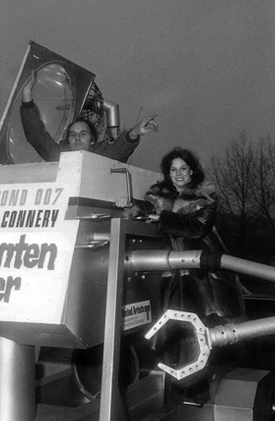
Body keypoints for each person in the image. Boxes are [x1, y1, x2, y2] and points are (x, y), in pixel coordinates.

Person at [118, 147, 247, 368]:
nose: (178, 174)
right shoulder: (160, 198)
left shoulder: (205, 198)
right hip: (171, 274)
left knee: (206, 332)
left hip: (202, 275)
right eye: (173, 169)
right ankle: (178, 386)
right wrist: (133, 207)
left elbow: (197, 228)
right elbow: (146, 208)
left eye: (183, 169)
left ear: (192, 172)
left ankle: (204, 385)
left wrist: (162, 217)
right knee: (172, 333)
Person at [20, 71, 158, 162]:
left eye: (83, 134)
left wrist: (135, 132)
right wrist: (26, 93)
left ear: (92, 140)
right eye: (73, 134)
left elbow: (120, 149)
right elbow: (36, 135)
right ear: (68, 140)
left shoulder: (102, 157)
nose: (77, 138)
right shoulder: (58, 156)